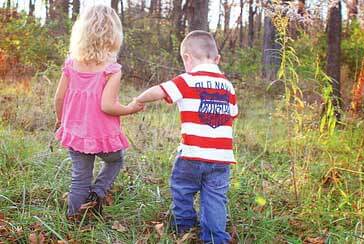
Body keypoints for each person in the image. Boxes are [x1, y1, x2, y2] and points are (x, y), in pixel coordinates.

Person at [135, 30, 238, 244]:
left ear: (187, 58)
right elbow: (233, 115)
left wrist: (139, 99)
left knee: (182, 188)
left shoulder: (187, 80)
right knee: (216, 198)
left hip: (191, 153)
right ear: (217, 59)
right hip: (221, 158)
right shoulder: (228, 86)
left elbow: (160, 90)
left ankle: (183, 226)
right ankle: (215, 237)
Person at [53, 5, 144, 218]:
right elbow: (107, 106)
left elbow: (58, 97)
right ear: (114, 36)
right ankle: (98, 192)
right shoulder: (111, 70)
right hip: (102, 136)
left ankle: (73, 219)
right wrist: (130, 108)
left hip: (76, 133)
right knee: (115, 160)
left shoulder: (71, 65)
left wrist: (60, 120)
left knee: (79, 178)